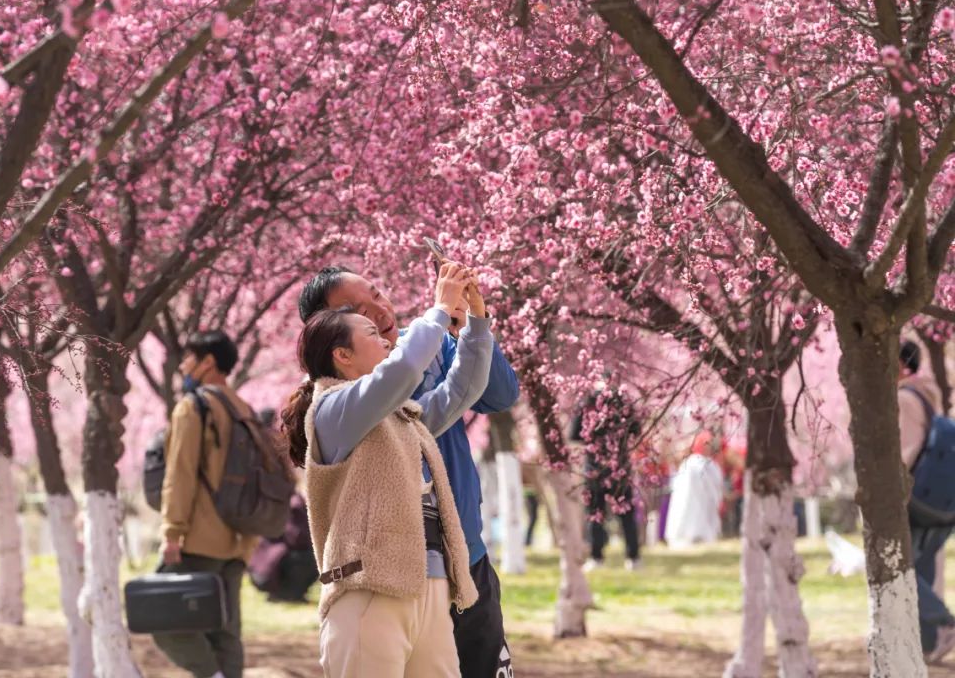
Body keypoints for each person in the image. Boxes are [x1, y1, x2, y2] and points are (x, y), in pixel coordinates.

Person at [297, 263, 520, 677]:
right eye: (365, 328)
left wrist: (475, 321)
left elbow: (460, 392)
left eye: (375, 299)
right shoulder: (332, 410)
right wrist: (437, 312)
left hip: (433, 583)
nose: (383, 331)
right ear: (340, 353)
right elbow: (400, 373)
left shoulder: (400, 415)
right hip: (372, 587)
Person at [155, 330, 259, 678]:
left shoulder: (194, 407)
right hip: (239, 541)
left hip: (199, 539)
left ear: (208, 362)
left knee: (164, 618)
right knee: (225, 631)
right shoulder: (244, 409)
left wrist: (172, 532)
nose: (183, 365)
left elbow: (180, 473)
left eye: (188, 358)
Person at [897, 340, 955, 664]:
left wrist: (890, 493)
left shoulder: (905, 398)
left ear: (902, 364)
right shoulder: (927, 396)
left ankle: (944, 622)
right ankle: (930, 642)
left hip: (918, 497)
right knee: (920, 566)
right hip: (944, 499)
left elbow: (908, 448)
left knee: (896, 565)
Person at [571, 385, 642, 571]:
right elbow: (637, 430)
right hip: (620, 464)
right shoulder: (624, 402)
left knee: (595, 513)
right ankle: (633, 557)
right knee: (626, 514)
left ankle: (597, 557)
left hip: (594, 466)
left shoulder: (587, 402)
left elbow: (575, 434)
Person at [664, 430, 724, 549]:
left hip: (704, 501)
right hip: (691, 500)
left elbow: (716, 482)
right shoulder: (692, 462)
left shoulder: (709, 463)